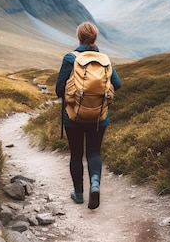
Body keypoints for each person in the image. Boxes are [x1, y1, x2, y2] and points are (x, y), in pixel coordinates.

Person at [55, 21, 122, 210]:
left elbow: (59, 89)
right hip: (99, 117)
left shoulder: (70, 58)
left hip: (73, 116)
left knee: (76, 154)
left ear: (79, 37)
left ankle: (78, 195)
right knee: (93, 152)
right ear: (95, 38)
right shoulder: (104, 60)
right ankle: (95, 184)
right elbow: (118, 84)